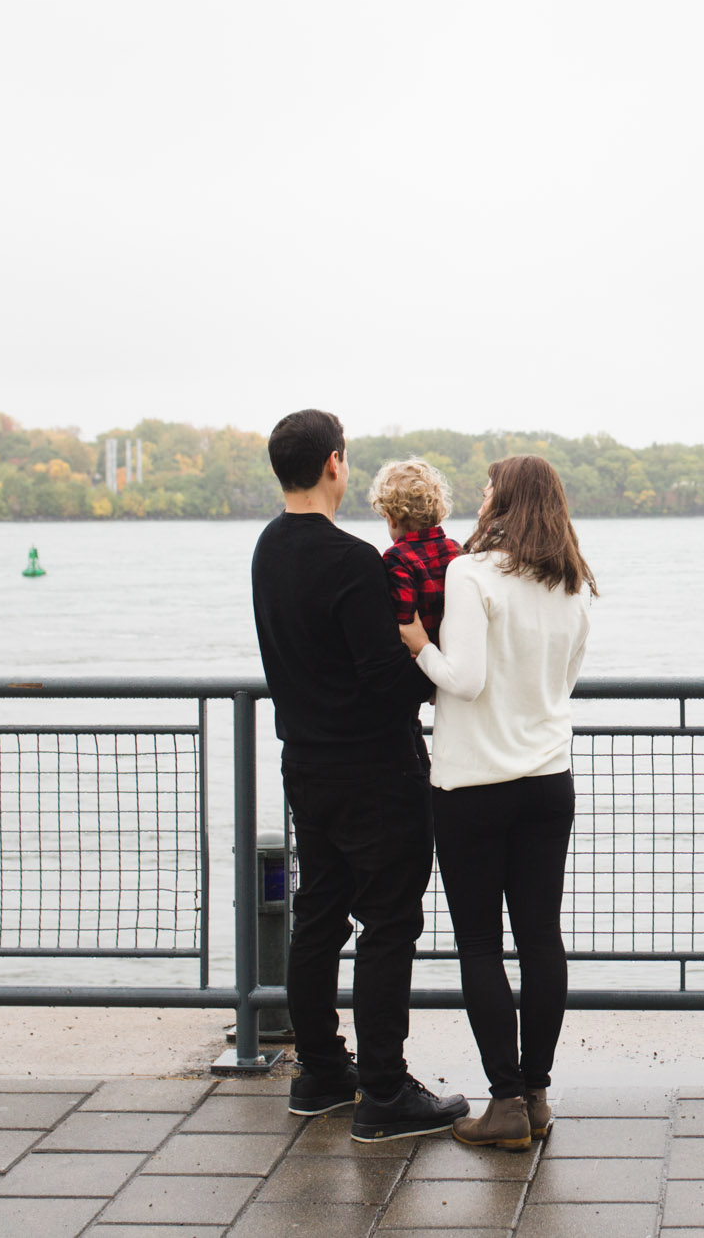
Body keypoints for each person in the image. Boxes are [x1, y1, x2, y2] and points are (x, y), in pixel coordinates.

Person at [249, 409, 468, 1142]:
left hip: (304, 761)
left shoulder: (266, 550)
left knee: (320, 913)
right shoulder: (352, 562)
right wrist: (430, 673)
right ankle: (383, 1090)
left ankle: (319, 1072)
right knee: (389, 924)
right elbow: (385, 676)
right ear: (335, 463)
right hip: (375, 768)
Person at [401, 454, 595, 1151]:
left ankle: (504, 1099)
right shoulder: (572, 585)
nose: (480, 498)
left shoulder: (470, 572)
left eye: (487, 488)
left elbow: (465, 678)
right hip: (548, 779)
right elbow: (563, 683)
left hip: (474, 783)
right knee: (542, 936)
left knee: (481, 941)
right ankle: (537, 1093)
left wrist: (419, 643)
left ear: (504, 500)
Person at [368, 457, 462, 647]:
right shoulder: (456, 550)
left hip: (420, 657)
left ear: (391, 518)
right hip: (454, 650)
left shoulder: (397, 558)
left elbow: (403, 619)